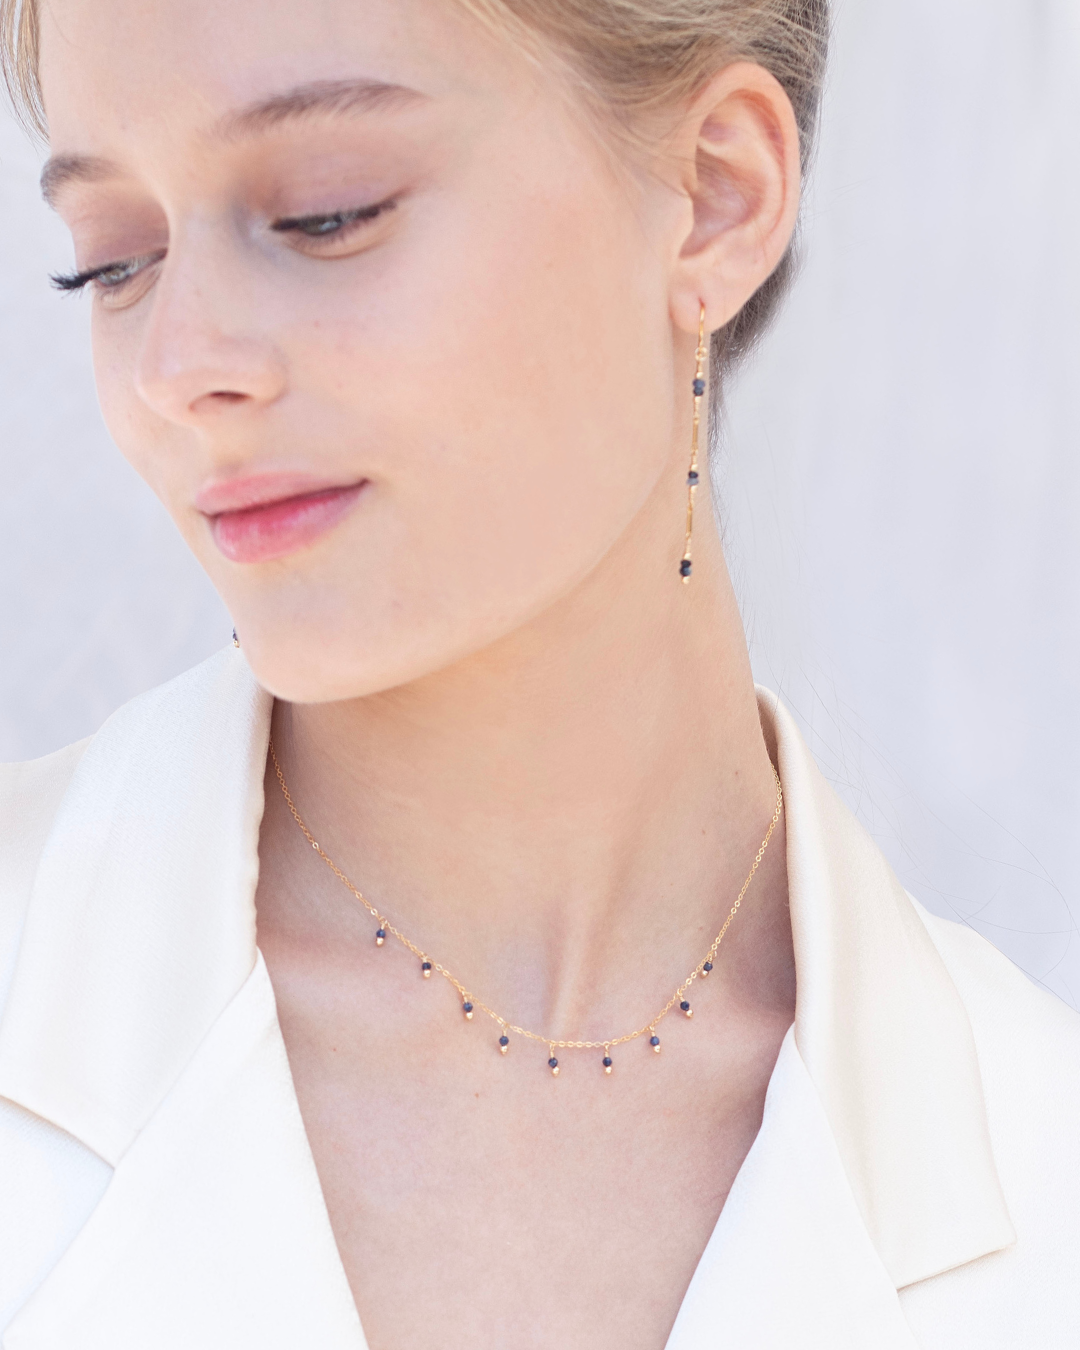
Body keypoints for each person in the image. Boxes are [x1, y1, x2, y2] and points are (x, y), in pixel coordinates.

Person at [0, 0, 1077, 1346]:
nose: (178, 367)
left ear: (714, 198)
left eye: (329, 211)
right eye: (115, 262)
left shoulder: (1051, 1183)